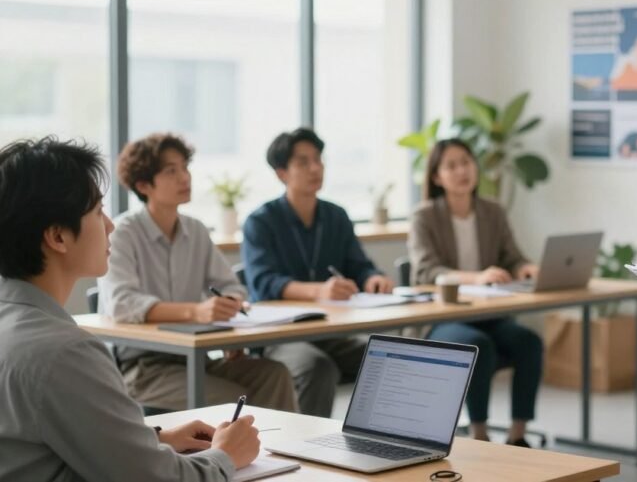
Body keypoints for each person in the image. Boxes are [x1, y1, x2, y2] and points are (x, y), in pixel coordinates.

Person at [0, 137, 260, 481]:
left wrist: (155, 438)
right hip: (147, 367)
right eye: (97, 211)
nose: (109, 225)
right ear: (58, 237)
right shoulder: (65, 353)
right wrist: (225, 456)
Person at [99, 133, 298, 412]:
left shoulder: (196, 230)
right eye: (171, 171)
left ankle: (281, 454)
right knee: (235, 396)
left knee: (274, 375)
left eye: (185, 167)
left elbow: (232, 286)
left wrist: (229, 306)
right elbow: (122, 305)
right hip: (143, 369)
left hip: (196, 359)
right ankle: (234, 455)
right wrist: (196, 311)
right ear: (144, 185)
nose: (185, 177)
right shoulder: (122, 234)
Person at [242, 128, 394, 417]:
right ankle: (309, 450)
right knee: (317, 367)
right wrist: (319, 290)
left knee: (383, 357)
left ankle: (380, 443)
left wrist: (373, 278)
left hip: (328, 329)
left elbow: (358, 265)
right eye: (303, 162)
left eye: (318, 160)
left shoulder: (335, 216)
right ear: (281, 173)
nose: (315, 168)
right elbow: (264, 283)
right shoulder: (260, 222)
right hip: (279, 335)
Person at [407, 138, 543, 447]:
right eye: (451, 166)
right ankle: (479, 435)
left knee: (529, 342)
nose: (461, 171)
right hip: (442, 319)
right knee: (477, 345)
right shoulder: (424, 216)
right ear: (436, 177)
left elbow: (513, 256)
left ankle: (517, 436)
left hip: (488, 314)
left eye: (466, 162)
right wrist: (476, 277)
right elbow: (426, 271)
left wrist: (526, 268)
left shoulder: (492, 211)